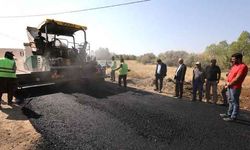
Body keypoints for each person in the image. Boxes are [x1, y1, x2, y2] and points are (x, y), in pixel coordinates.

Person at [220, 53, 248, 121]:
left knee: (235, 102)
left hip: (235, 87)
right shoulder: (235, 65)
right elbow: (230, 74)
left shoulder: (243, 66)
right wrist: (227, 82)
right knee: (230, 100)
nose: (232, 61)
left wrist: (229, 84)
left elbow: (237, 78)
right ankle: (229, 114)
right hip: (229, 85)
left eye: (233, 59)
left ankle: (233, 117)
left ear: (238, 59)